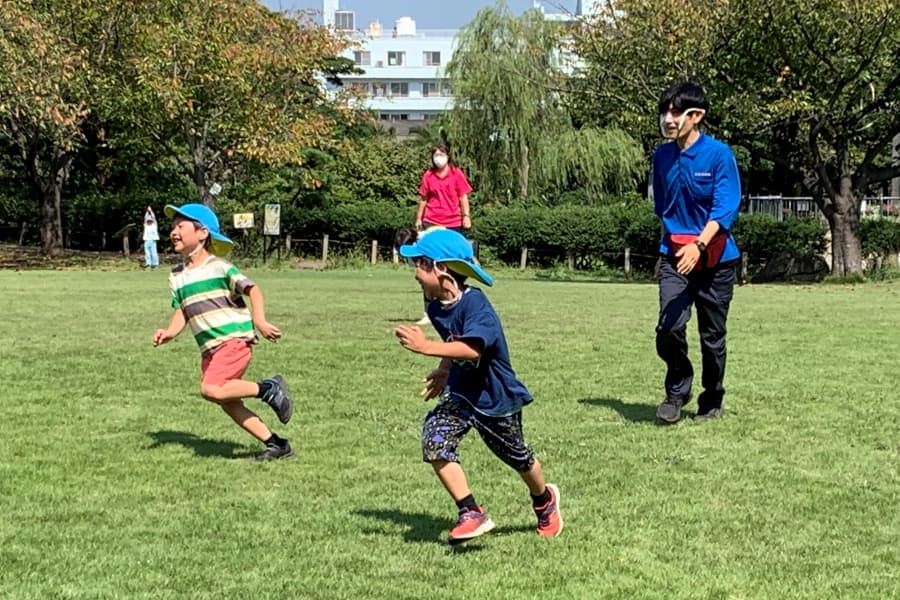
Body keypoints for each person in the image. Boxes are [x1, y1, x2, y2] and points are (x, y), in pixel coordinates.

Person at [394, 229, 563, 545]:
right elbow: (453, 341)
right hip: (461, 392)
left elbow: (472, 348)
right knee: (435, 437)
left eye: (419, 264)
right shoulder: (436, 307)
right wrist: (444, 370)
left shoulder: (476, 305)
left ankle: (544, 499)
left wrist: (425, 347)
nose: (415, 273)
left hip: (494, 398)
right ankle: (470, 511)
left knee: (517, 457)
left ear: (441, 269)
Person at [151, 203, 295, 461]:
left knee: (211, 389)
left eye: (180, 226)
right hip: (210, 349)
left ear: (202, 233)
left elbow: (253, 289)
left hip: (233, 340)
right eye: (172, 227)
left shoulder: (219, 267)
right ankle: (277, 444)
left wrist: (260, 320)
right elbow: (183, 310)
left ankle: (268, 388)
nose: (173, 231)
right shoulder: (176, 276)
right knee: (227, 401)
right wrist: (169, 333)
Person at [651, 81, 741, 424]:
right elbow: (663, 210)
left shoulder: (719, 155)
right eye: (665, 112)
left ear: (696, 116)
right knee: (668, 327)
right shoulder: (661, 157)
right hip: (675, 258)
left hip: (716, 260)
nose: (668, 119)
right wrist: (664, 254)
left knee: (712, 337)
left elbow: (724, 208)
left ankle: (712, 399)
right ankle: (677, 391)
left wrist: (699, 245)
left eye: (676, 112)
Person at [414, 144, 473, 326]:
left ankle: (455, 305)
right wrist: (418, 218)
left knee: (452, 266)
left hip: (453, 223)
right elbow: (423, 199)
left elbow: (463, 197)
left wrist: (466, 216)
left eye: (442, 154)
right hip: (431, 221)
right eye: (436, 155)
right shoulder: (428, 176)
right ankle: (428, 311)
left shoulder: (456, 174)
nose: (439, 157)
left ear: (448, 156)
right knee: (427, 266)